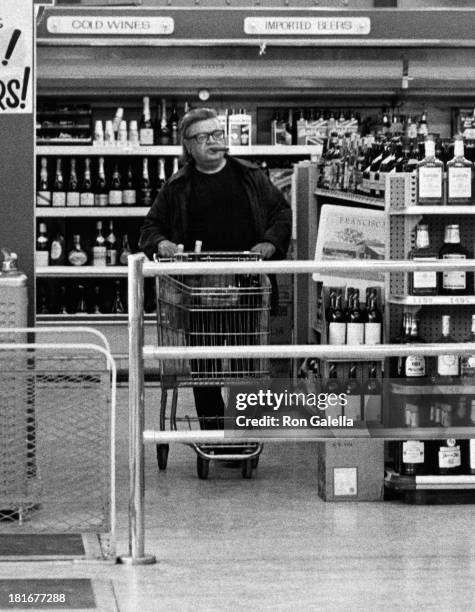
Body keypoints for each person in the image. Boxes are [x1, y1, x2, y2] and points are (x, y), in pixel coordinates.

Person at [139, 107, 291, 429]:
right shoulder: (177, 187)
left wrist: (270, 243)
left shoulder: (250, 176)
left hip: (245, 289)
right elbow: (150, 228)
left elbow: (281, 212)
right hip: (198, 293)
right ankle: (211, 433)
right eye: (204, 136)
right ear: (188, 146)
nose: (214, 141)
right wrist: (162, 244)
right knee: (204, 369)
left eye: (218, 134)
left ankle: (240, 434)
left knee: (243, 368)